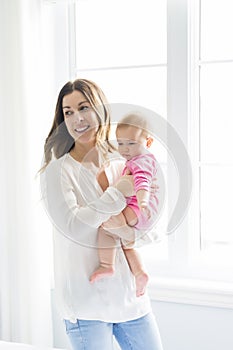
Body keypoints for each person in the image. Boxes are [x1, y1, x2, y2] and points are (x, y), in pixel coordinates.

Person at [40, 78, 163, 350]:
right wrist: (117, 194)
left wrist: (131, 225)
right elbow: (73, 227)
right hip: (86, 305)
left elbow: (146, 221)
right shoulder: (57, 171)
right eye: (68, 112)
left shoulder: (124, 159)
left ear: (100, 110)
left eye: (83, 108)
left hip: (131, 298)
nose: (76, 119)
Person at [90, 112, 159, 298]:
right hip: (139, 212)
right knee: (127, 244)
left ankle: (107, 265)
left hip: (138, 210)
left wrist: (143, 201)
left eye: (131, 143)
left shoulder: (141, 163)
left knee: (105, 225)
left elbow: (142, 182)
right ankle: (140, 273)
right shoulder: (141, 158)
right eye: (121, 143)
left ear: (149, 142)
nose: (125, 149)